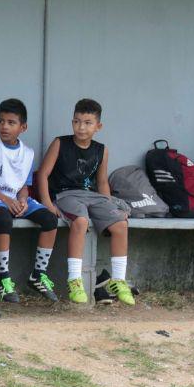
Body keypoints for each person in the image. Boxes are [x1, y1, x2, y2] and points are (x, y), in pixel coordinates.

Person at [36, 98, 134, 305]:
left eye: (88, 123)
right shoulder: (60, 143)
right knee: (80, 221)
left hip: (93, 196)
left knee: (120, 224)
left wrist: (110, 206)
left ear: (98, 126)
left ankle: (118, 280)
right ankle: (75, 280)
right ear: (72, 122)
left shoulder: (101, 150)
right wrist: (47, 203)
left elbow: (102, 182)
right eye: (77, 121)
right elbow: (43, 174)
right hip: (65, 195)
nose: (81, 127)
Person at [0, 98, 59, 304]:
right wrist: (6, 200)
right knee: (3, 219)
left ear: (23, 127)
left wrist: (23, 200)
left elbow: (24, 185)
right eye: (1, 121)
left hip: (16, 199)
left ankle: (38, 274)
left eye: (11, 122)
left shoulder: (28, 153)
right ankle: (4, 278)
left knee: (50, 219)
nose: (4, 127)